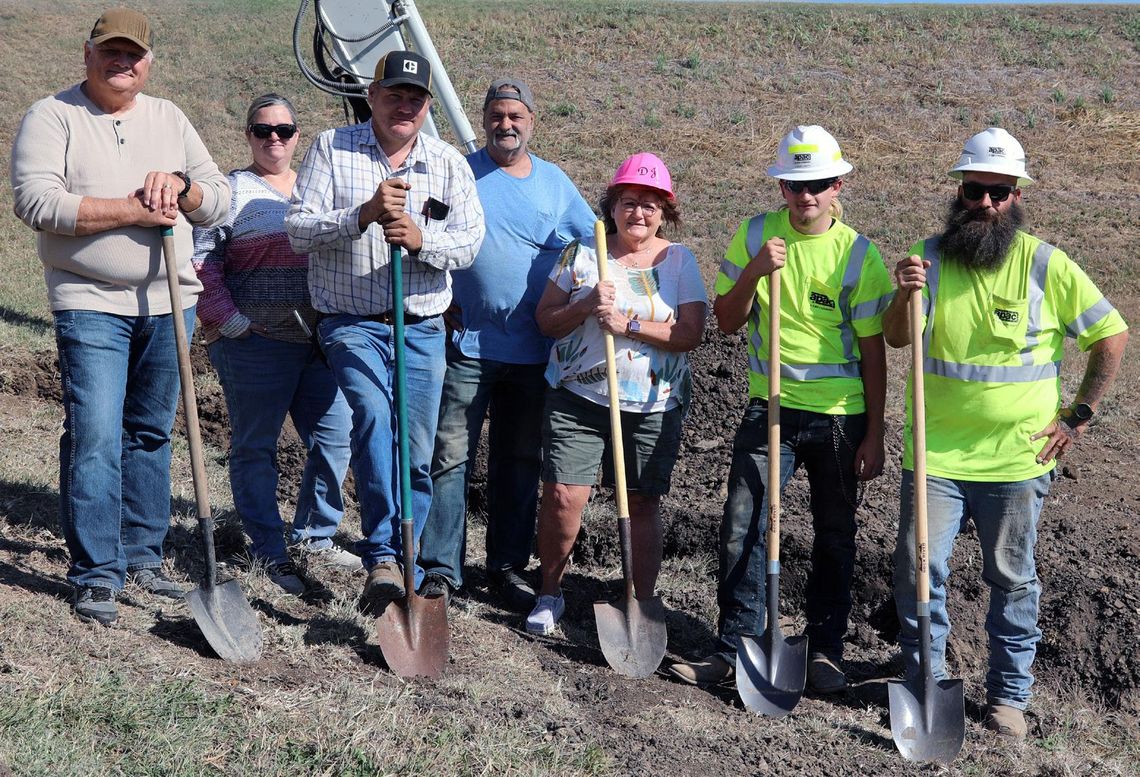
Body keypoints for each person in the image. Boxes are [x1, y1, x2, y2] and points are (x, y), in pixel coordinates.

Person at [883, 127, 1128, 738]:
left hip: (1018, 461)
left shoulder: (1047, 264)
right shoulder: (928, 259)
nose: (985, 203)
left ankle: (1008, 698)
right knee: (920, 571)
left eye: (998, 191)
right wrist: (902, 294)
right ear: (958, 192)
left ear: (1017, 195)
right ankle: (926, 683)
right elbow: (894, 338)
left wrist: (1077, 416)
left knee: (1012, 579)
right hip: (936, 453)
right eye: (974, 190)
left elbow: (1111, 337)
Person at [9, 8, 230, 626]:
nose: (122, 62)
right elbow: (37, 201)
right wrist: (132, 209)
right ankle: (97, 572)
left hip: (170, 301)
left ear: (148, 63)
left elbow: (218, 199)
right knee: (97, 435)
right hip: (90, 301)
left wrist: (181, 188)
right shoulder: (53, 116)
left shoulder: (169, 118)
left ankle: (142, 555)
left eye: (133, 53)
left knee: (150, 433)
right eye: (110, 51)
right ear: (87, 55)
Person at [668, 126, 891, 693]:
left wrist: (875, 433)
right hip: (769, 408)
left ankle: (825, 653)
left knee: (835, 534)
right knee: (743, 523)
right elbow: (726, 319)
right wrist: (754, 272)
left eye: (817, 184)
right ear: (782, 186)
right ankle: (736, 646)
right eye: (794, 185)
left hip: (841, 418)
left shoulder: (859, 255)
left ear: (838, 184)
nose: (805, 196)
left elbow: (873, 350)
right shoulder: (755, 235)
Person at [285, 51, 484, 610]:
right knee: (373, 421)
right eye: (394, 94)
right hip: (350, 322)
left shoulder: (447, 164)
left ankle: (409, 551)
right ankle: (383, 557)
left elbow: (469, 244)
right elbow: (298, 230)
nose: (405, 105)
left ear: (426, 106)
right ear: (371, 96)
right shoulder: (332, 148)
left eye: (415, 98)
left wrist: (422, 242)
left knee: (416, 447)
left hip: (420, 326)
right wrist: (364, 215)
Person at [417, 78, 596, 609]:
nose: (507, 124)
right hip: (466, 345)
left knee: (518, 460)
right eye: (497, 115)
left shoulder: (554, 184)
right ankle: (441, 569)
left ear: (531, 121)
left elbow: (593, 242)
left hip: (534, 351)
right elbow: (424, 234)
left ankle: (506, 568)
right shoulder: (459, 172)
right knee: (448, 456)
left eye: (516, 115)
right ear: (485, 119)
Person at [525, 152, 707, 636]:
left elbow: (690, 333)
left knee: (644, 501)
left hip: (652, 405)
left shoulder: (679, 261)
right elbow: (545, 320)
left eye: (650, 205)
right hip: (578, 398)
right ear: (612, 205)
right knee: (564, 495)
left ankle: (640, 602)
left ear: (665, 211)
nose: (639, 214)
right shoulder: (583, 254)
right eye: (629, 202)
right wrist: (585, 305)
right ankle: (549, 592)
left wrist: (627, 323)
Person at [192, 94, 356, 596]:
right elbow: (202, 262)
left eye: (284, 130)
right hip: (254, 345)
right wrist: (232, 322)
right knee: (255, 447)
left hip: (320, 343)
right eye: (263, 130)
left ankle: (316, 534)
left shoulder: (318, 188)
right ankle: (267, 546)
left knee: (335, 438)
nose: (274, 139)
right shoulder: (231, 192)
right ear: (248, 135)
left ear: (297, 136)